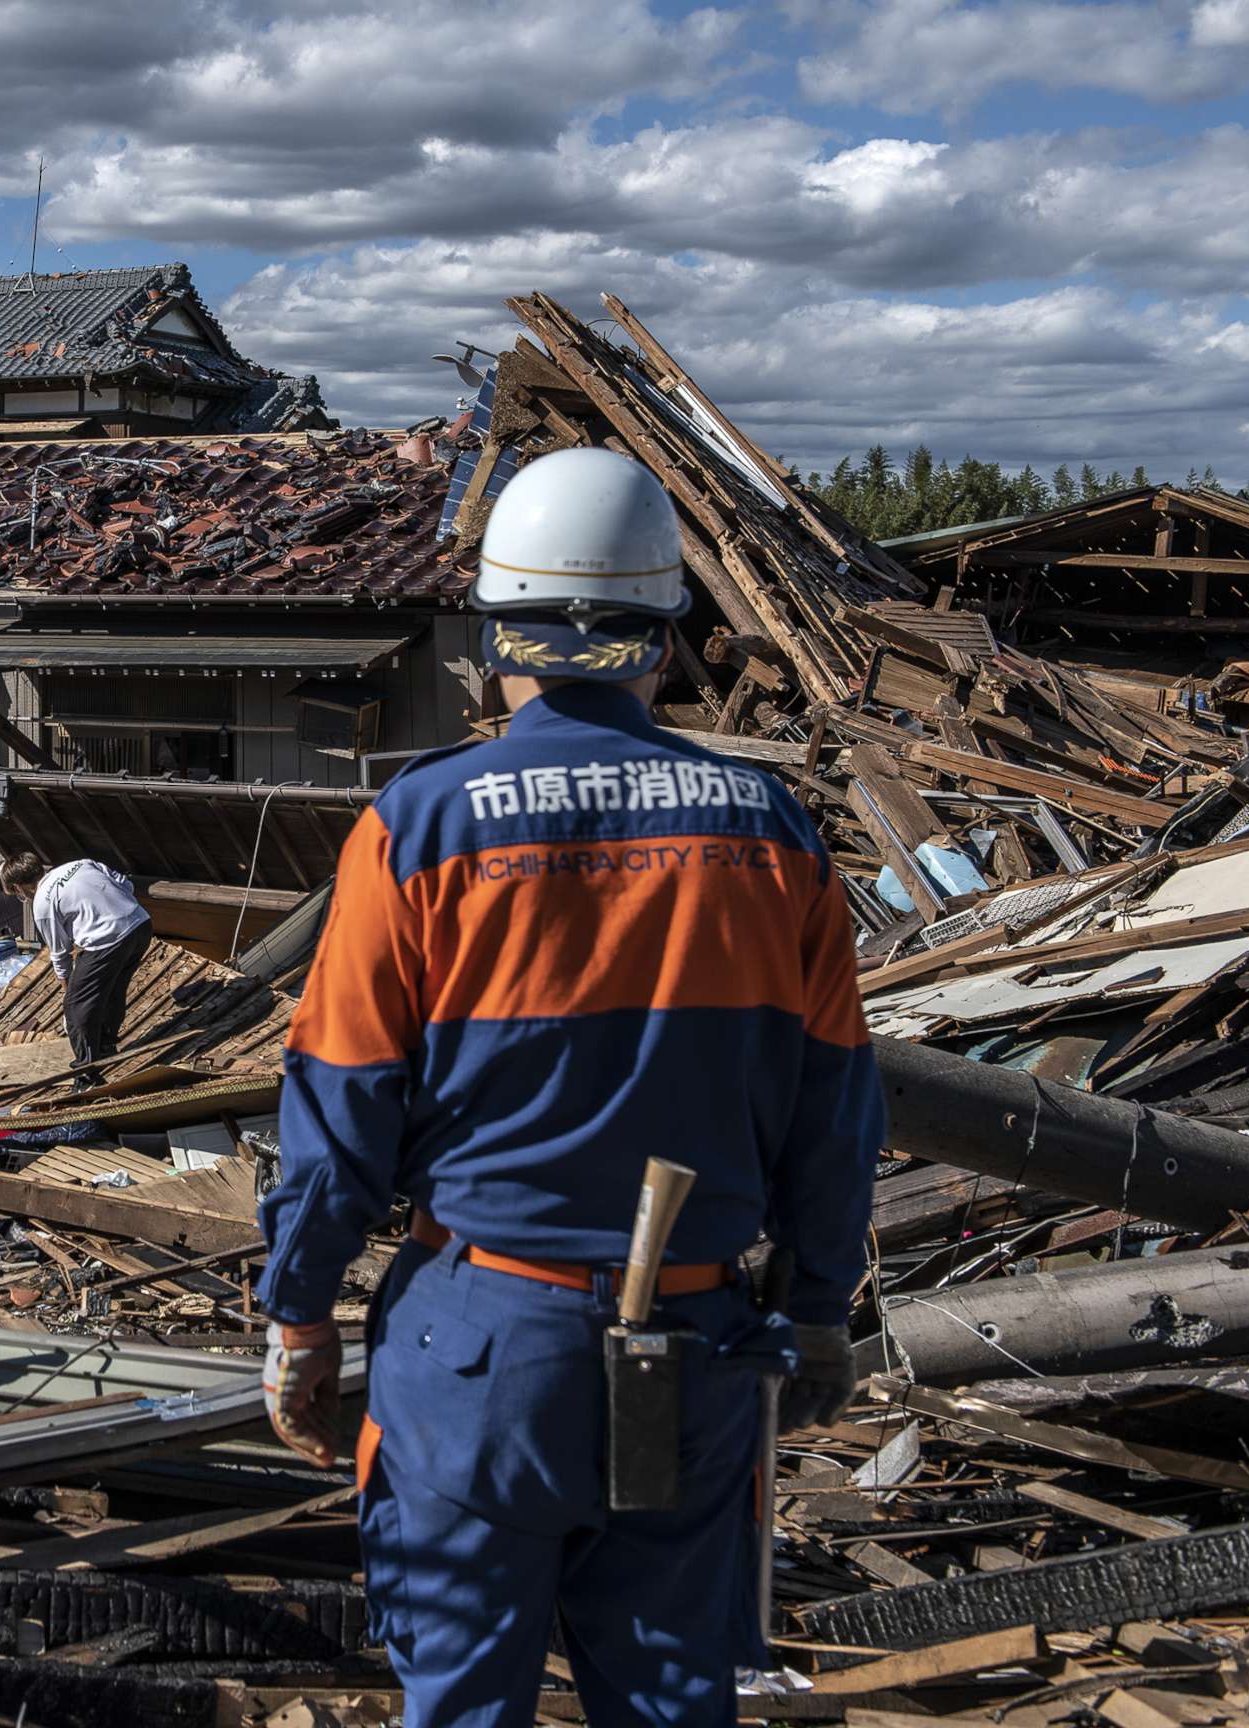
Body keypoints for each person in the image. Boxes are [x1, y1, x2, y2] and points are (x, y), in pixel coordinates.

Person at [255, 447, 882, 1728]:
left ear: (498, 640)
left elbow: (340, 1109)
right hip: (697, 1351)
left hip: (485, 1347)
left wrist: (301, 1313)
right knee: (667, 1702)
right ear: (664, 641)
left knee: (465, 1706)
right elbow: (836, 1114)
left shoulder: (422, 826)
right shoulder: (772, 832)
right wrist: (817, 1309)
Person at [0, 852, 152, 1068]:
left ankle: (87, 1069)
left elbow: (60, 952)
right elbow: (125, 884)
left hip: (106, 941)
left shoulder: (43, 902)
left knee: (76, 1008)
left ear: (19, 887)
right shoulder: (81, 864)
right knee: (114, 990)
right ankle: (106, 1047)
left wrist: (68, 991)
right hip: (140, 925)